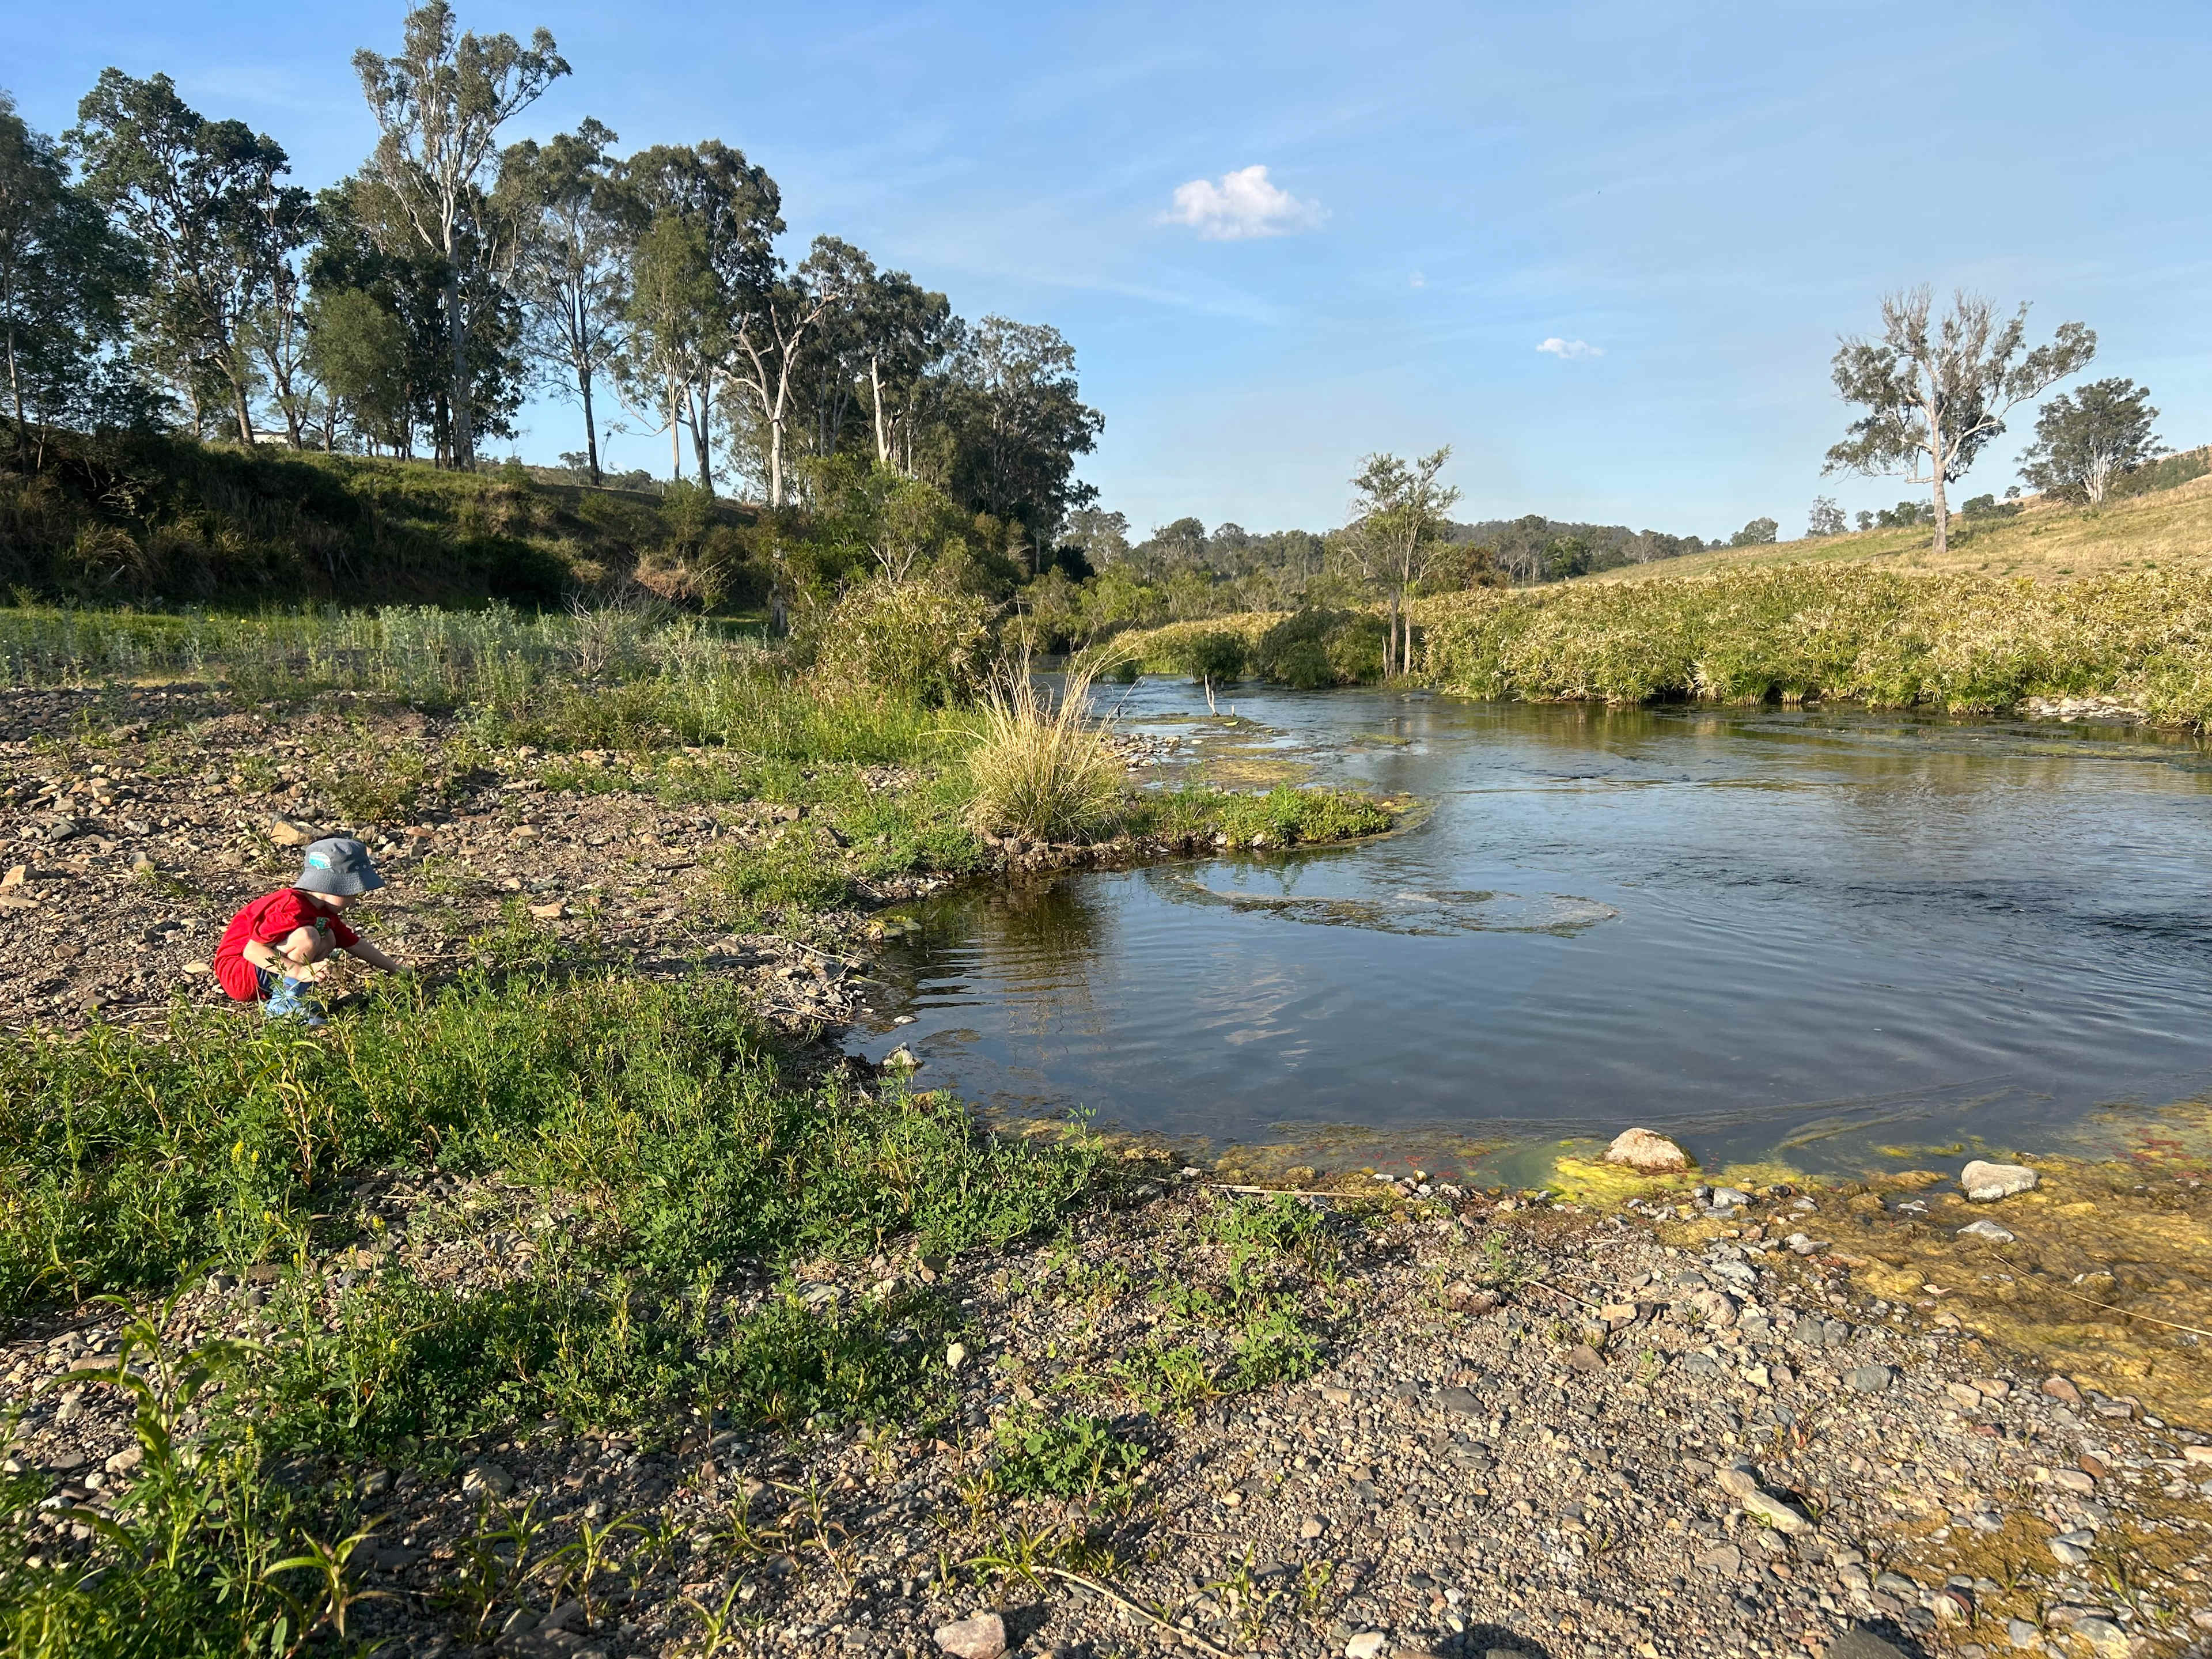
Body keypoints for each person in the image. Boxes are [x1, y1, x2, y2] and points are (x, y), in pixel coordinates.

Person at [213, 837, 404, 1025]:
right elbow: (252, 951)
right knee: (308, 936)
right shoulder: (291, 907)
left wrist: (398, 970)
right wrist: (299, 971)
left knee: (328, 937)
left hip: (260, 969)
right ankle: (283, 1007)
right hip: (239, 972)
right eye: (352, 893)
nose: (354, 901)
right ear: (332, 887)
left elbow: (357, 945)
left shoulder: (324, 913)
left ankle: (289, 998)